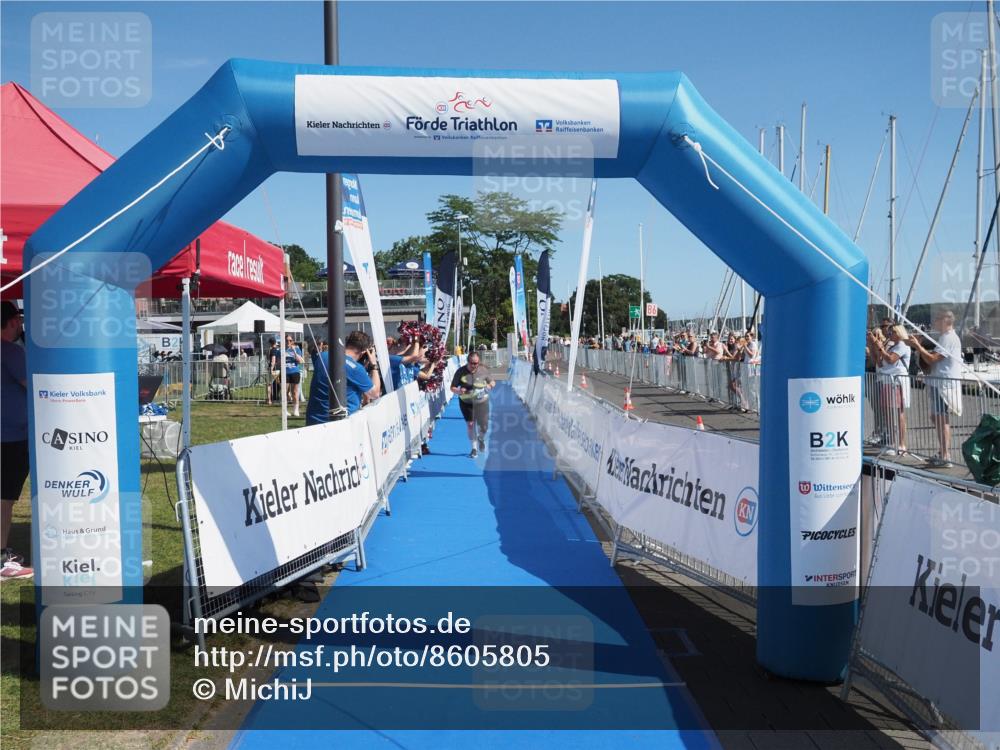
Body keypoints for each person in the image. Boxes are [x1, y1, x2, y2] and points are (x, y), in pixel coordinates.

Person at [907, 309, 963, 468]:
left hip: (944, 383)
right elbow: (931, 360)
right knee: (936, 416)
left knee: (941, 417)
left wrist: (918, 346)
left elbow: (932, 359)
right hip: (938, 382)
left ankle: (946, 455)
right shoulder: (944, 338)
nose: (935, 322)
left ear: (946, 320)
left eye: (937, 319)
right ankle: (943, 452)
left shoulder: (949, 338)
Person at [1, 302, 32, 580]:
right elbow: (34, 385)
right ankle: (1, 560)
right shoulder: (11, 352)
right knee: (4, 499)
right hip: (11, 436)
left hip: (9, 434)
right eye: (19, 320)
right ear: (12, 321)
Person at [306, 330, 381, 424]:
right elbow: (375, 394)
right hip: (340, 424)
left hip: (314, 420)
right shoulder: (356, 369)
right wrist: (374, 365)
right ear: (363, 352)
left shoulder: (322, 357)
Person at [871, 325, 911, 455]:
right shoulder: (893, 346)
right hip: (887, 380)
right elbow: (881, 363)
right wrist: (877, 348)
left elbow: (891, 359)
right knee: (887, 412)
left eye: (893, 332)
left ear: (899, 333)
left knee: (899, 413)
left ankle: (901, 444)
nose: (890, 334)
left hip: (897, 382)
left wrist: (881, 348)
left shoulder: (902, 345)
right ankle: (892, 442)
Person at [450, 352, 495, 458]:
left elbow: (493, 382)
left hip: (482, 402)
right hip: (466, 402)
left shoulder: (483, 370)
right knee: (470, 425)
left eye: (476, 363)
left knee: (483, 426)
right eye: (472, 363)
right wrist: (460, 391)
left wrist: (489, 386)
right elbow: (452, 388)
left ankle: (481, 438)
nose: (474, 365)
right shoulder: (460, 372)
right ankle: (474, 449)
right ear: (468, 362)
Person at [284, 335, 305, 418]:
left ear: (292, 341)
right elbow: (279, 361)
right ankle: (284, 410)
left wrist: (294, 352)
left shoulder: (297, 349)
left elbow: (300, 361)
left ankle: (296, 410)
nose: (288, 342)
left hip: (294, 372)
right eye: (287, 340)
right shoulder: (282, 349)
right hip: (285, 372)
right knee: (284, 392)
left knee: (295, 392)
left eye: (290, 340)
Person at [267, 337, 280, 406]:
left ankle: (269, 400)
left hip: (274, 369)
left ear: (270, 343)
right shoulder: (278, 349)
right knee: (279, 384)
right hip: (279, 369)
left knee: (269, 385)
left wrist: (271, 369)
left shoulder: (273, 350)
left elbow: (273, 360)